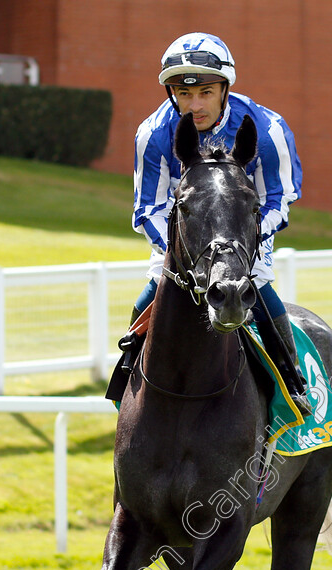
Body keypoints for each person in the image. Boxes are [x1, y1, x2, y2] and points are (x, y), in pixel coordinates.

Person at [124, 32, 310, 414]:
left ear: (225, 89)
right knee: (147, 299)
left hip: (245, 233)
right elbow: (148, 208)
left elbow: (278, 199)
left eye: (205, 93)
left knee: (259, 292)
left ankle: (293, 386)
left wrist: (242, 241)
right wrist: (184, 254)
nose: (194, 104)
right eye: (183, 93)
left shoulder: (268, 129)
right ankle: (127, 385)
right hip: (184, 238)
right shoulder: (153, 134)